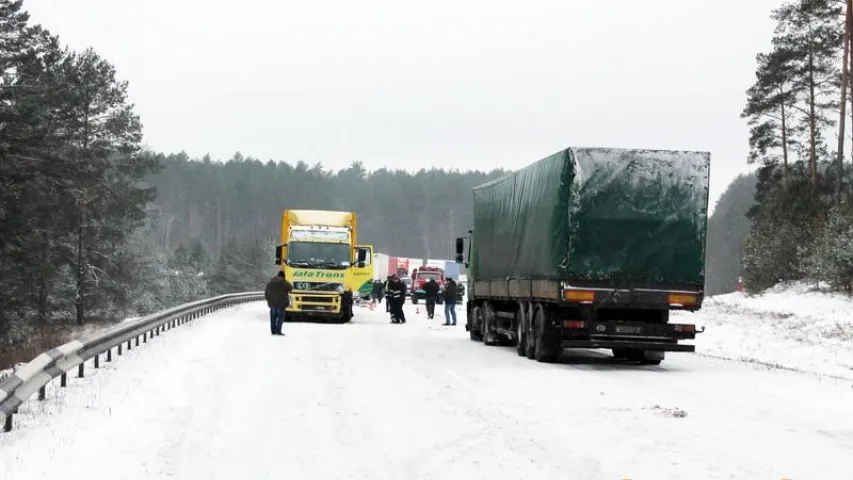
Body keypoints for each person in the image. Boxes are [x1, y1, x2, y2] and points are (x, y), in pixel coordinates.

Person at [265, 271, 293, 335]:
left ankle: (273, 331)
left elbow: (266, 292)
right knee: (280, 317)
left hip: (272, 303)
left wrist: (268, 299)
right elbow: (291, 289)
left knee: (273, 318)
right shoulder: (285, 282)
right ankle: (278, 331)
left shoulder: (270, 282)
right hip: (281, 304)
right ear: (283, 276)